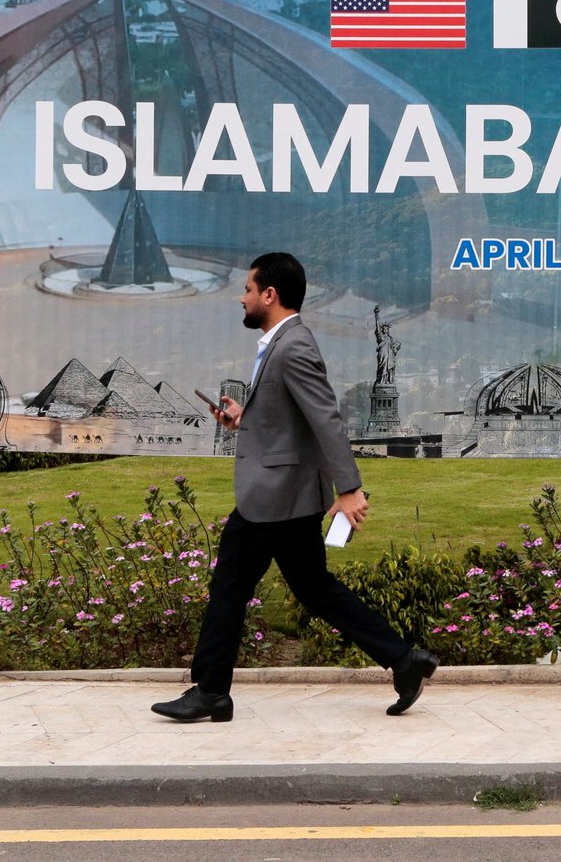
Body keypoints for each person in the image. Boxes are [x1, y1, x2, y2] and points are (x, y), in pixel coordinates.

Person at [152, 252, 437, 723]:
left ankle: (210, 692)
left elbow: (326, 418)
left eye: (247, 289)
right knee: (314, 588)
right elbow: (293, 419)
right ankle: (405, 660)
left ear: (270, 294)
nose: (241, 298)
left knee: (229, 588)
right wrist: (244, 418)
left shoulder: (293, 346)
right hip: (288, 496)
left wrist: (349, 489)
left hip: (272, 498)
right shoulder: (281, 343)